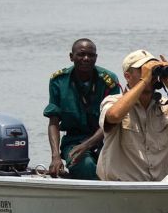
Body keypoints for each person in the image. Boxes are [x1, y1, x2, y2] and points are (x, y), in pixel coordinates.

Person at [97, 50, 168, 181]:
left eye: (152, 71)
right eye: (143, 70)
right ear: (127, 76)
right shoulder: (113, 101)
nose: (150, 75)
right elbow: (114, 116)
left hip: (156, 188)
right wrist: (144, 81)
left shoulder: (165, 106)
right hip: (121, 187)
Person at [44, 38, 121, 179]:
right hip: (74, 141)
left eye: (91, 55)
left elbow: (111, 121)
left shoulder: (108, 81)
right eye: (81, 54)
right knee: (86, 166)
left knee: (119, 169)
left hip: (105, 140)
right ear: (71, 57)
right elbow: (53, 121)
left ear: (96, 57)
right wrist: (55, 156)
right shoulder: (59, 81)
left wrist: (87, 145)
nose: (86, 58)